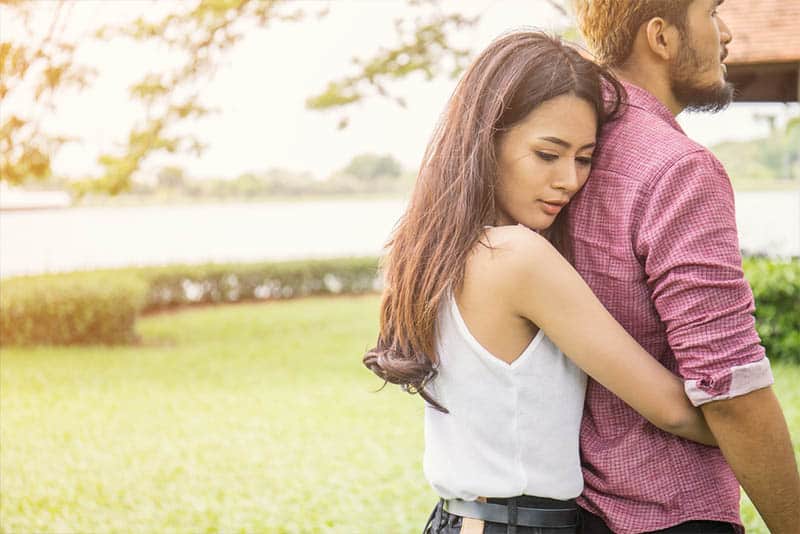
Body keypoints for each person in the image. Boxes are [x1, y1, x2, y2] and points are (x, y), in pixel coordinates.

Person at [363, 31, 718, 534]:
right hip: (518, 524)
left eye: (584, 157)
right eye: (548, 155)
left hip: (459, 519)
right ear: (487, 140)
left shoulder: (429, 249)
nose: (570, 180)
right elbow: (673, 411)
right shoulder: (518, 257)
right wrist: (757, 437)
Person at [568, 1, 800, 533]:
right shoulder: (678, 168)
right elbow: (728, 386)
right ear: (661, 37)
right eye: (712, 12)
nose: (727, 34)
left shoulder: (564, 151)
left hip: (571, 507)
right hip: (669, 510)